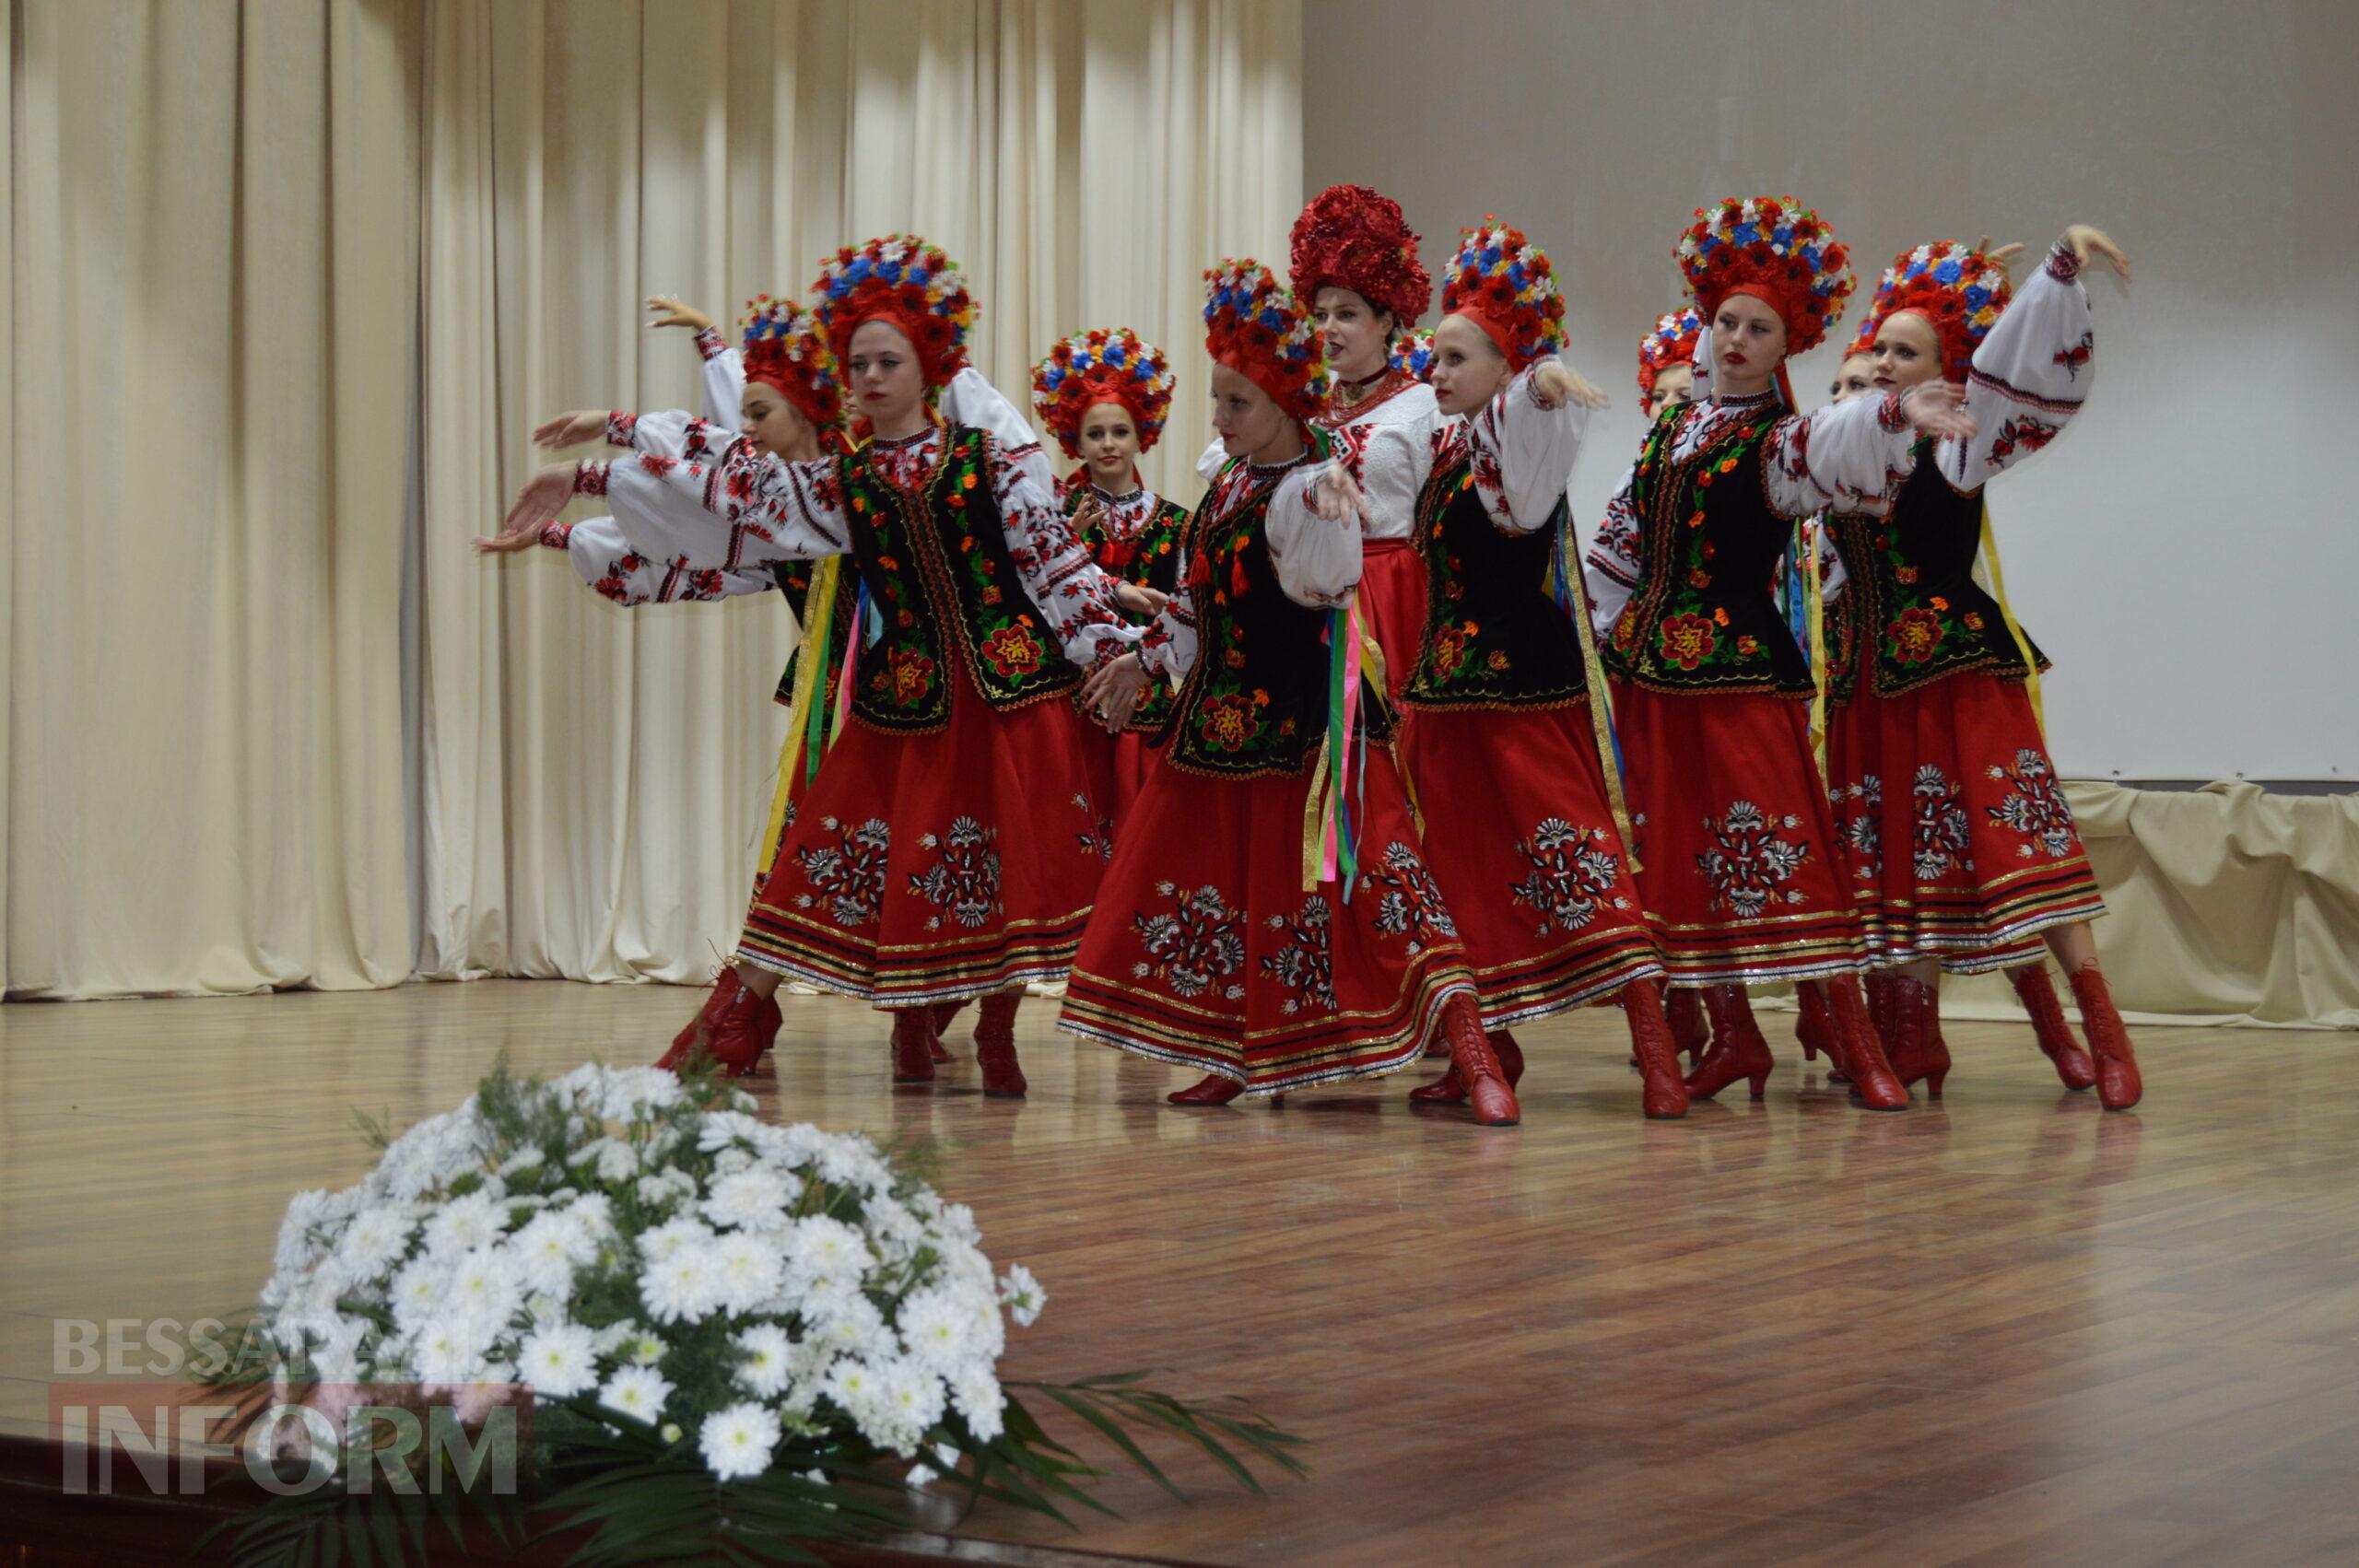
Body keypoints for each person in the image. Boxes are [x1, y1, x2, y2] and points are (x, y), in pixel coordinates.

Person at [480, 236, 1134, 1096]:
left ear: (929, 363)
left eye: (887, 360)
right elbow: (733, 486)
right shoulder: (841, 483)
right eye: (858, 361)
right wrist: (599, 462)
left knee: (1009, 883)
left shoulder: (993, 463)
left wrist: (1122, 655)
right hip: (901, 706)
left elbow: (1057, 569)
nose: (869, 376)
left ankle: (992, 1037)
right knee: (813, 860)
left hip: (1010, 703)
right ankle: (724, 1028)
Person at [1061, 260, 1520, 1127]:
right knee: (1226, 890)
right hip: (1223, 733)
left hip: (1316, 734)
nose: (1220, 418)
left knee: (1391, 885)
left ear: (1284, 405)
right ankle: (1236, 1057)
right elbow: (1203, 597)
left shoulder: (1310, 487)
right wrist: (1144, 658)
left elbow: (1326, 586)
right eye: (1219, 401)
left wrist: (1324, 506)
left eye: (1237, 403)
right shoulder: (1231, 483)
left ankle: (1477, 1057)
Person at [1583, 194, 1978, 1109]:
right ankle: (1732, 1039)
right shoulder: (1669, 436)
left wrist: (1893, 411)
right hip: (1654, 674)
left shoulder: (1778, 440)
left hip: (1738, 672)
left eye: (1757, 329)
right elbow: (1617, 546)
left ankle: (1866, 1052)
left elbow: (1831, 439)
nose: (1735, 339)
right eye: (1725, 321)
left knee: (1785, 846)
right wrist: (1604, 636)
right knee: (1679, 857)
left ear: (1783, 343)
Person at [1821, 228, 2139, 1107]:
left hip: (1956, 675)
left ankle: (2103, 1028)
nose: (1883, 361)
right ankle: (1917, 1039)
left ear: (1948, 369)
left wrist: (2057, 270)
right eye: (1878, 346)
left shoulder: (1961, 438)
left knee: (2022, 839)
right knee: (1905, 858)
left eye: (1905, 350)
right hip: (1870, 688)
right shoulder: (1842, 451)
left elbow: (2014, 364)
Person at [1389, 218, 1688, 1120]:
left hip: (1523, 689)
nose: (1434, 372)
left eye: (1453, 358)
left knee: (1582, 856)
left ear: (1503, 366)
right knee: (1456, 873)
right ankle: (1488, 1051)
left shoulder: (1510, 442)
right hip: (1444, 694)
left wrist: (1539, 387)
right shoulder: (1445, 455)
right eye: (1432, 356)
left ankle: (1655, 1048)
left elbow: (1522, 456)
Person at [1030, 328, 1190, 837]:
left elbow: (1188, 612)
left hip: (1147, 699)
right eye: (1094, 434)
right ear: (1074, 440)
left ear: (1142, 434)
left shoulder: (1176, 522)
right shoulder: (1052, 516)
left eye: (1119, 431)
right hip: (1068, 697)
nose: (1108, 444)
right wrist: (1060, 545)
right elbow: (1031, 602)